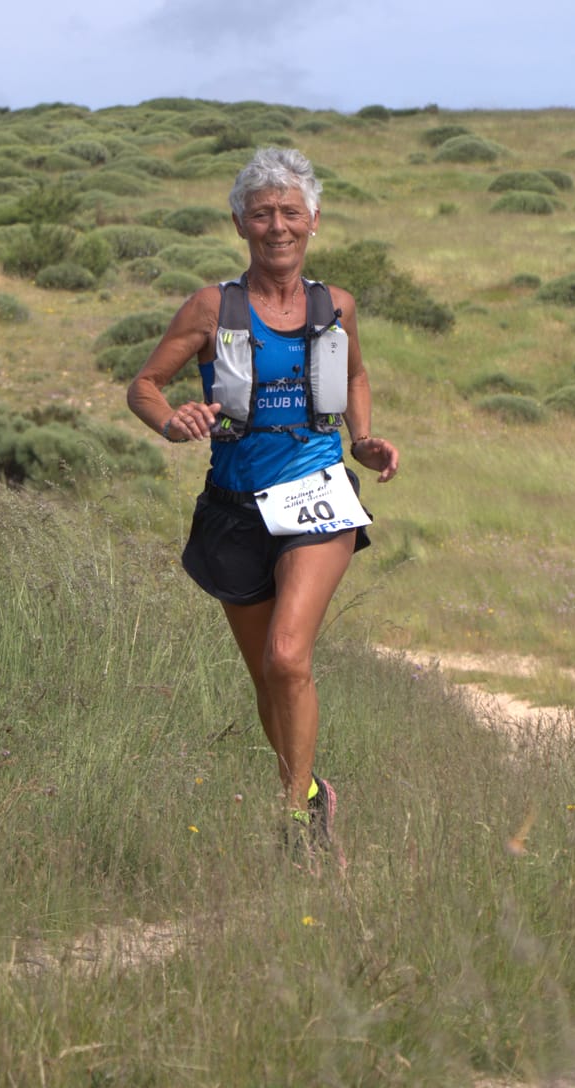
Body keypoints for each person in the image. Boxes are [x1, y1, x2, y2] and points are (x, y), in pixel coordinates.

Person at [127, 147, 400, 861]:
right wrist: (171, 419)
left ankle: (294, 825)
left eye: (289, 212)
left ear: (313, 218)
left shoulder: (334, 305)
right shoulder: (213, 307)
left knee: (286, 656)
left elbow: (357, 373)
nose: (277, 226)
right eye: (261, 213)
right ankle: (311, 791)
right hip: (235, 504)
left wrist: (363, 439)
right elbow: (144, 385)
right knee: (266, 679)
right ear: (240, 223)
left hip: (316, 494)